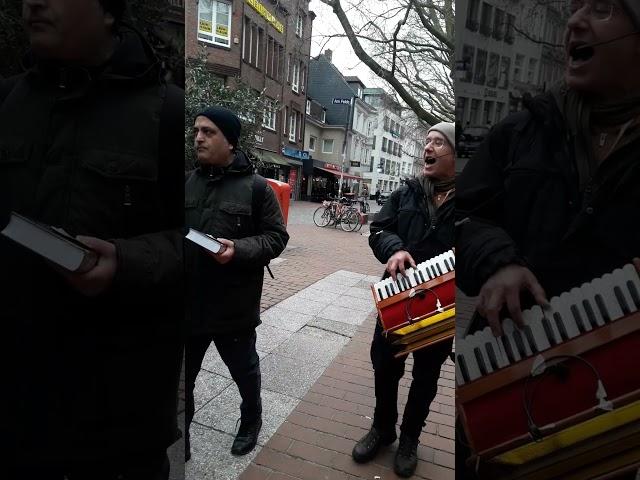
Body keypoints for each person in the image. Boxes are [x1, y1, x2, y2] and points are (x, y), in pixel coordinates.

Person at [456, 0, 640, 476]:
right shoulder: (522, 130)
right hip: (500, 368)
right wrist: (497, 260)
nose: (574, 22)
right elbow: (466, 215)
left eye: (600, 9)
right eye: (574, 7)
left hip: (616, 402)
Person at [1, 1, 184, 479]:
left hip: (117, 426)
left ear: (107, 10)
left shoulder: (168, 114)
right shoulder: (5, 103)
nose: (32, 4)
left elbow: (198, 243)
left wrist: (127, 261)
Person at [184, 107, 289, 460]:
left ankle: (251, 417)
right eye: (197, 130)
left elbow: (276, 238)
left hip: (234, 305)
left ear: (230, 142)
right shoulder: (187, 182)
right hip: (190, 304)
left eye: (208, 132)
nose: (198, 137)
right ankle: (181, 433)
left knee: (244, 371)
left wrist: (239, 249)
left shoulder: (258, 189)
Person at [352, 122, 456, 478]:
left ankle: (410, 438)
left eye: (438, 143)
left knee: (426, 375)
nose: (428, 148)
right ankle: (383, 428)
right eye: (426, 142)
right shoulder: (407, 192)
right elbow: (379, 229)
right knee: (385, 365)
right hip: (397, 298)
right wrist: (394, 250)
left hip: (442, 305)